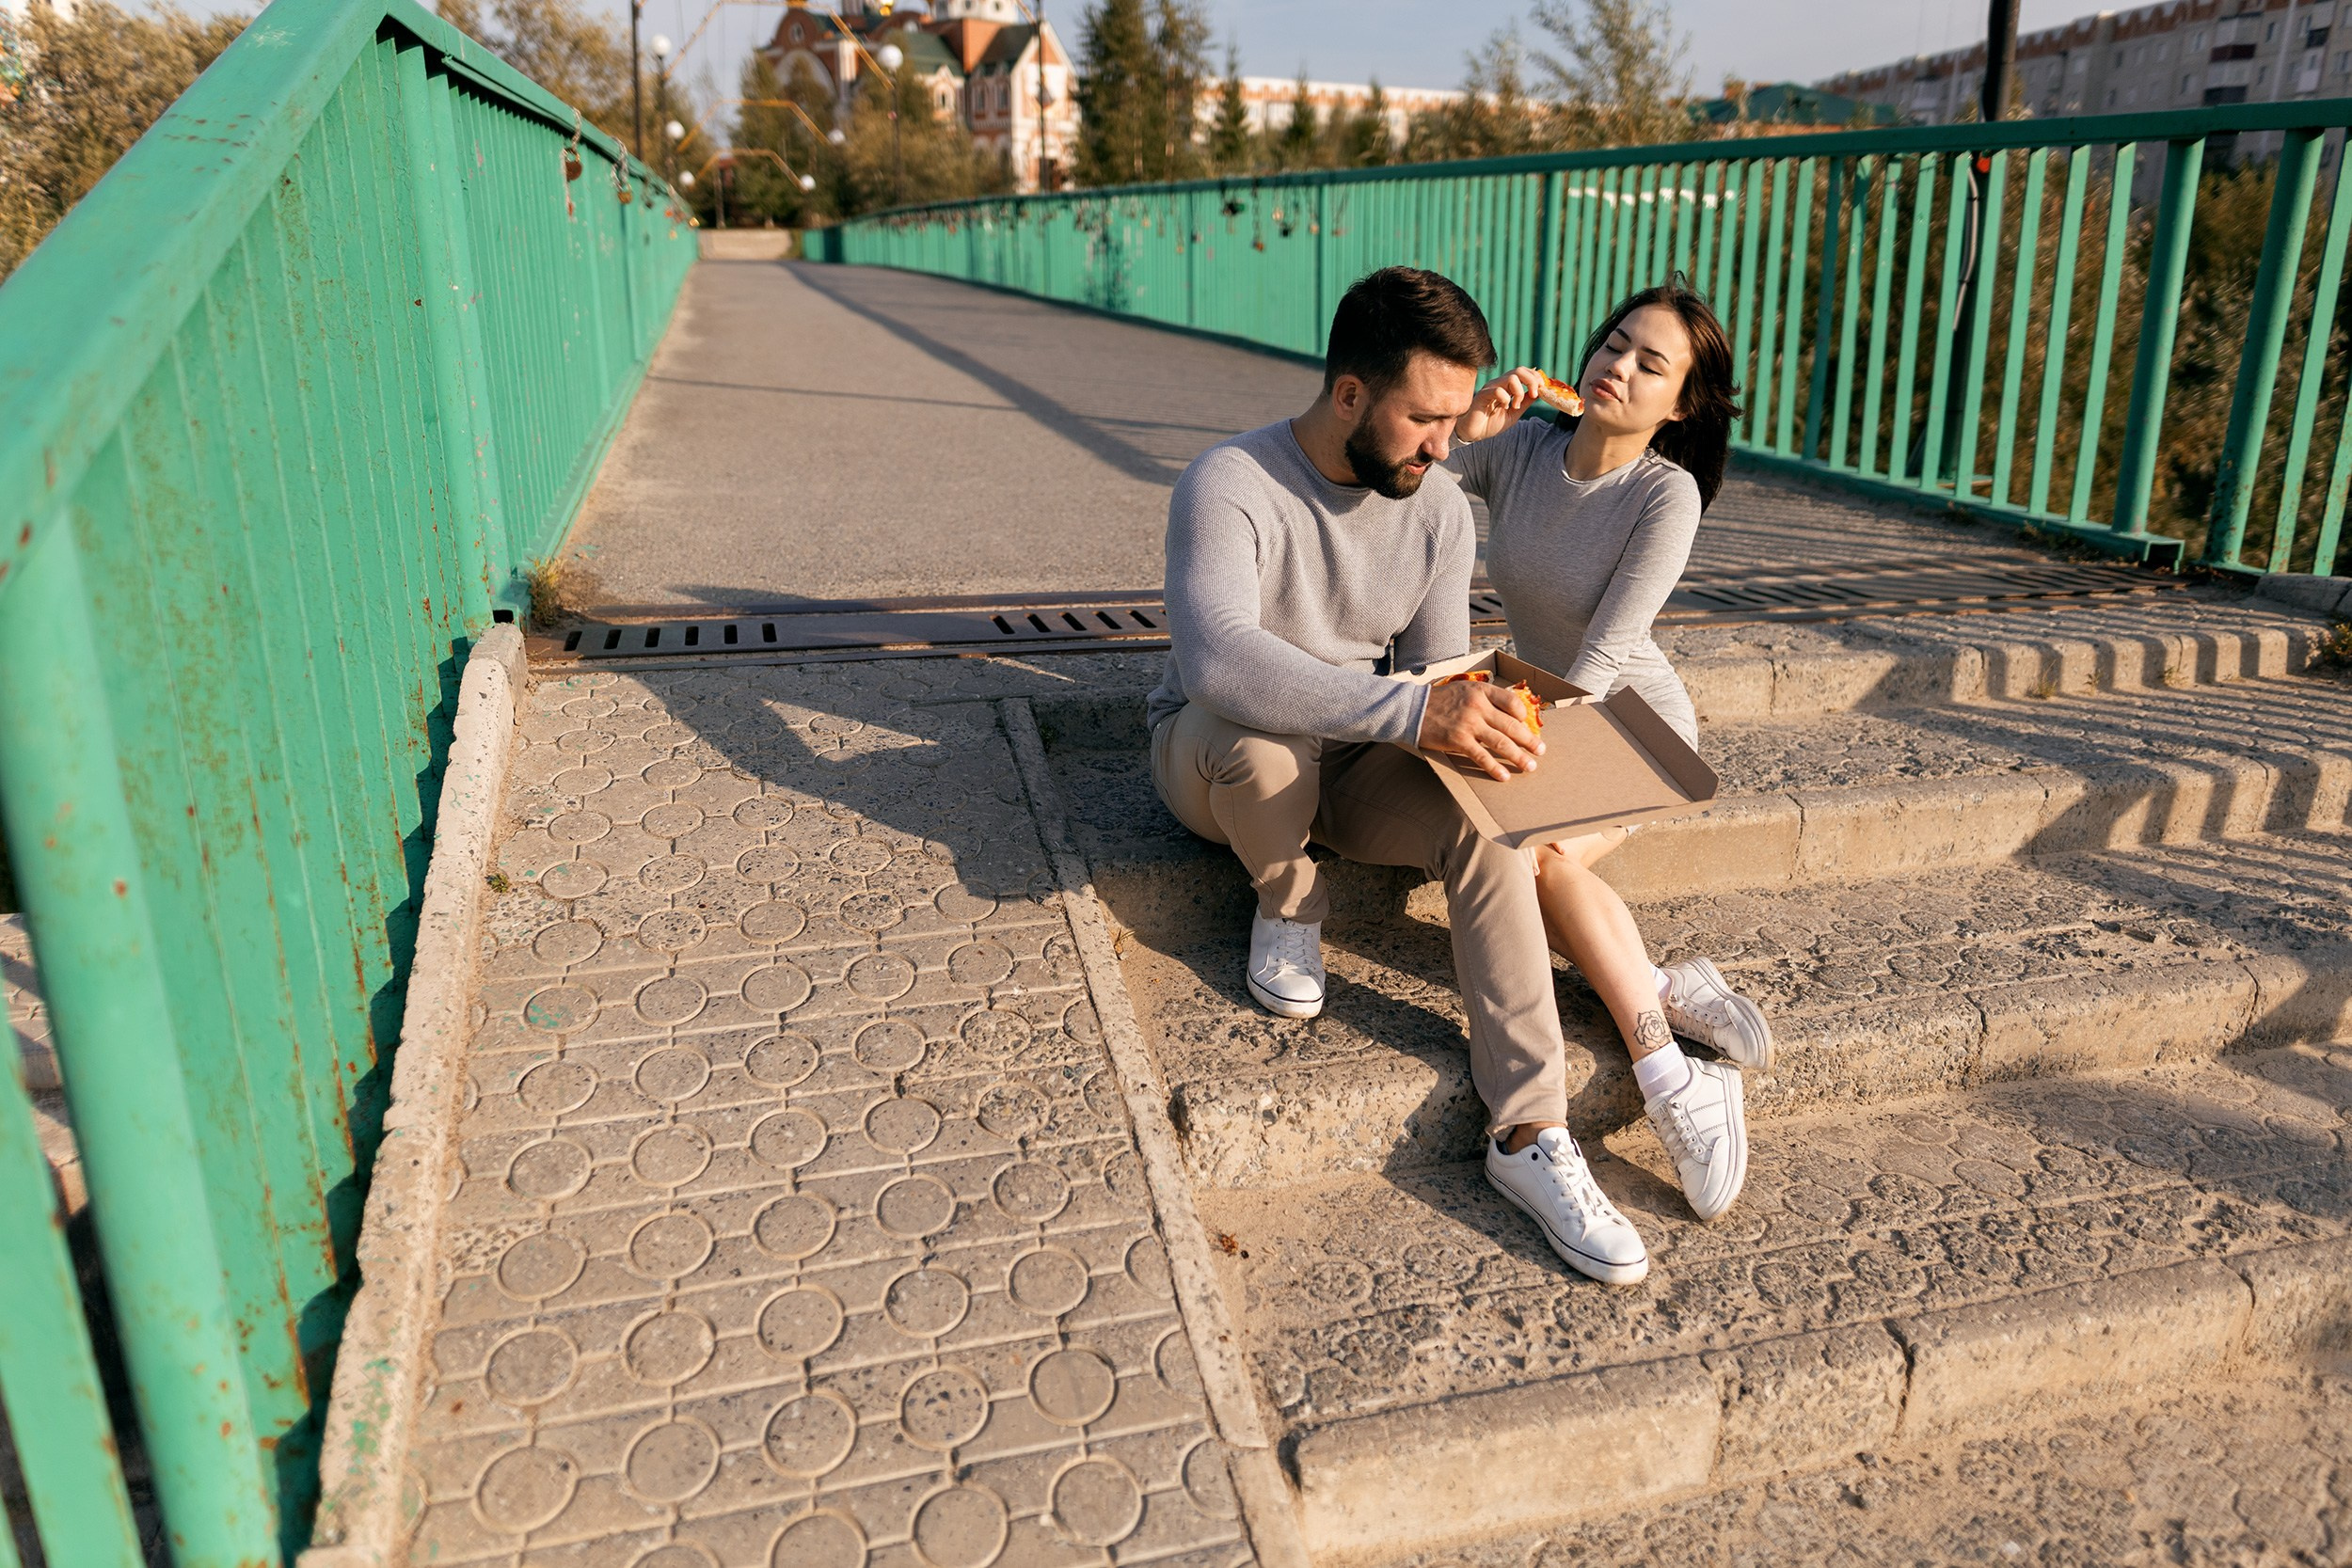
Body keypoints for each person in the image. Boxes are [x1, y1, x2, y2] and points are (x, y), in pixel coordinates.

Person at [1147, 267, 1735, 1289]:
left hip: (1358, 749)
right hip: (1216, 752)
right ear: (1349, 395)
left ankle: (1531, 1131)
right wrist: (1415, 713)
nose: (1443, 446)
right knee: (1264, 742)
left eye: (1456, 422)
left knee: (1489, 824)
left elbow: (1430, 675)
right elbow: (1219, 661)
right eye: (1425, 420)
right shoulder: (1229, 480)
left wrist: (1467, 731)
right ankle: (1288, 897)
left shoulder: (1438, 509)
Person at [1448, 277, 1773, 1243]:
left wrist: (1518, 734)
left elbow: (1600, 658)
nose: (1617, 367)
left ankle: (1667, 1071)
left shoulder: (1665, 494)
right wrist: (1469, 424)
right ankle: (1666, 994)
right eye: (1615, 343)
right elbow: (1414, 475)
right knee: (1528, 856)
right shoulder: (1523, 446)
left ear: (1680, 406)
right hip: (1544, 707)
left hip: (1631, 721)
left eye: (1650, 364)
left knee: (1534, 854)